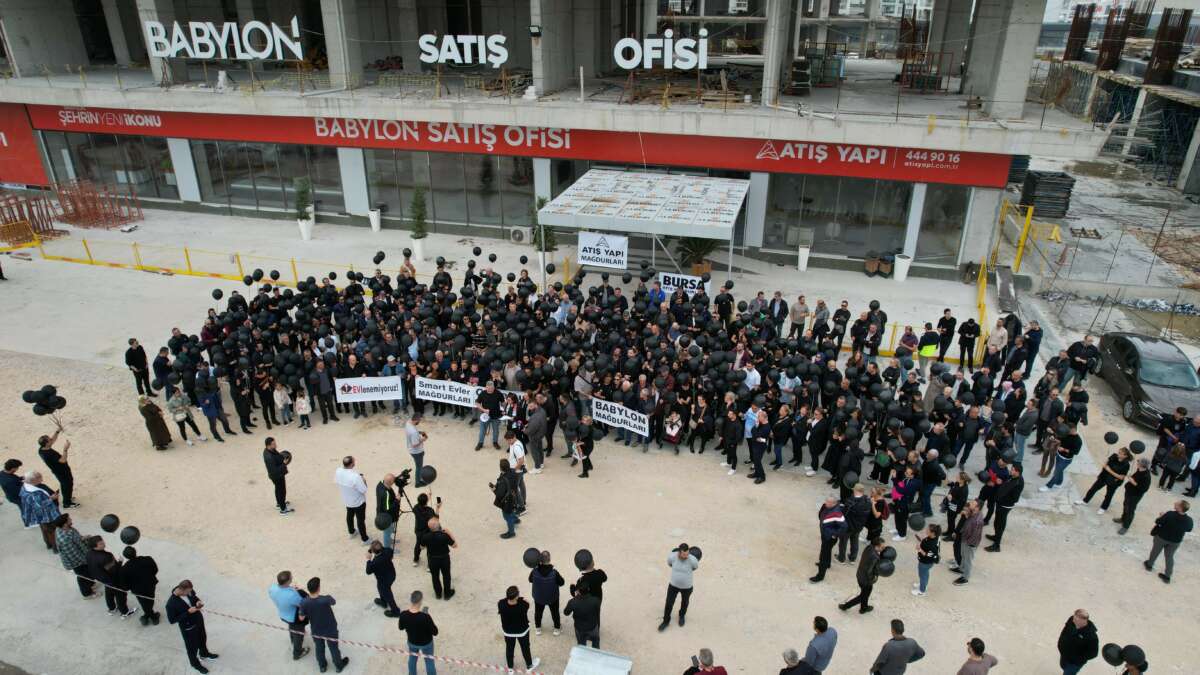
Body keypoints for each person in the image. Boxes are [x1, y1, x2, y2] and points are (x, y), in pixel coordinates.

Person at [166, 580, 219, 673]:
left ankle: (204, 653)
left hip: (198, 620)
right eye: (187, 592)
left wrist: (198, 602)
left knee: (202, 638)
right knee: (192, 647)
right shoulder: (171, 604)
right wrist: (188, 612)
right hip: (188, 627)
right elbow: (172, 620)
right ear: (181, 590)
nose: (189, 593)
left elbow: (194, 597)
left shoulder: (188, 591)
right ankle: (195, 664)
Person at [301, 577, 349, 673]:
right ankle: (339, 666)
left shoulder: (304, 602)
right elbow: (334, 602)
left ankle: (322, 666)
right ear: (318, 588)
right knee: (333, 648)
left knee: (319, 648)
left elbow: (301, 618)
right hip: (330, 630)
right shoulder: (325, 599)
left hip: (316, 630)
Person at [1144, 499, 1193, 583]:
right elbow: (1189, 529)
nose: (1175, 503)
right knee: (1169, 557)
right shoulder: (1189, 520)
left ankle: (1149, 565)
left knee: (1155, 551)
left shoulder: (1170, 514)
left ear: (1180, 508)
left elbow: (1158, 521)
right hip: (1175, 541)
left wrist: (1161, 516)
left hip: (1162, 538)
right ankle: (1167, 576)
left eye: (1177, 504)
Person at [268, 570, 311, 662]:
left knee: (291, 628)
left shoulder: (272, 588)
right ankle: (297, 653)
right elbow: (301, 604)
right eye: (291, 578)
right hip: (293, 617)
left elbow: (282, 595)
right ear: (287, 581)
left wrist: (291, 589)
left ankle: (292, 640)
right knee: (298, 634)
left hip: (283, 614)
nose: (292, 578)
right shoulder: (291, 595)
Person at [87, 535, 133, 617]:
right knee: (120, 595)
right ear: (95, 547)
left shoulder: (89, 553)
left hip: (103, 579)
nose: (104, 543)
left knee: (109, 593)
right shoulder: (106, 557)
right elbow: (114, 571)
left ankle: (112, 608)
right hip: (113, 579)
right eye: (100, 543)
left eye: (102, 541)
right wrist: (120, 562)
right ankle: (125, 612)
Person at [497, 585, 541, 672]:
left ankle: (510, 668)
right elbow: (528, 603)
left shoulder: (501, 604)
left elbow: (500, 601)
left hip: (508, 632)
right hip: (522, 631)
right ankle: (529, 665)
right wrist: (521, 598)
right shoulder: (523, 605)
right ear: (516, 596)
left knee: (509, 648)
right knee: (525, 648)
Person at [52, 514, 96, 598]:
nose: (71, 520)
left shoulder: (67, 528)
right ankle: (87, 593)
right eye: (69, 519)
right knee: (83, 577)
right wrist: (87, 559)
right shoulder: (64, 539)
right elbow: (74, 555)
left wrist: (83, 538)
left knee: (87, 573)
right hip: (77, 562)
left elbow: (76, 538)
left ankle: (90, 583)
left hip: (82, 555)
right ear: (65, 524)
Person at [1076, 447, 1131, 515]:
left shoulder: (1126, 465)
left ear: (1125, 456)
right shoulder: (1114, 456)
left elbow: (1121, 477)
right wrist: (1105, 468)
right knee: (1093, 489)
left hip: (1114, 482)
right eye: (1118, 452)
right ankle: (1085, 501)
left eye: (1120, 453)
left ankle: (1103, 508)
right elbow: (1105, 463)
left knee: (1108, 495)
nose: (1118, 454)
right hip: (1104, 476)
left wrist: (1109, 470)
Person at [658, 543, 699, 631]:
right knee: (669, 603)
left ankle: (681, 616)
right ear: (679, 553)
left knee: (685, 602)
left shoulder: (693, 560)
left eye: (688, 554)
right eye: (684, 554)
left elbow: (695, 567)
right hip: (673, 586)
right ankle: (665, 621)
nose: (686, 556)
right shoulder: (672, 557)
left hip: (687, 587)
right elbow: (669, 564)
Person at [397, 590, 439, 675]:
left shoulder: (403, 614)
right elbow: (435, 632)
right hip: (426, 643)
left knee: (412, 659)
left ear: (411, 600)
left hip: (412, 642)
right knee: (429, 661)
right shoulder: (425, 617)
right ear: (420, 601)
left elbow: (400, 627)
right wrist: (426, 617)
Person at [838, 537, 883, 614]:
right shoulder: (875, 557)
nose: (883, 549)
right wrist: (873, 578)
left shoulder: (869, 547)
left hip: (860, 575)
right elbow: (869, 571)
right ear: (877, 546)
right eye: (882, 547)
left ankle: (864, 608)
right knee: (863, 596)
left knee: (866, 592)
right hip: (865, 579)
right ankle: (845, 606)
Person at [19, 471, 61, 551]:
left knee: (45, 530)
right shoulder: (33, 493)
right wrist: (51, 498)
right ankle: (56, 548)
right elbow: (39, 505)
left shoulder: (25, 487)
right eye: (39, 478)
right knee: (52, 531)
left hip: (39, 516)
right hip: (47, 516)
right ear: (33, 481)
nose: (41, 480)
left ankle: (49, 545)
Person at [985, 463, 1023, 552]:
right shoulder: (1012, 477)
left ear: (1017, 472)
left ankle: (996, 545)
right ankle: (996, 537)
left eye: (1013, 469)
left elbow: (1014, 498)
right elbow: (1006, 485)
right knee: (996, 522)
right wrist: (1001, 483)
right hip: (1000, 504)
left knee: (1000, 524)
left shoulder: (1017, 482)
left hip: (1005, 506)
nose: (1011, 470)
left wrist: (1002, 498)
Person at [37, 430, 78, 508]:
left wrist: (57, 431)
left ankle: (67, 498)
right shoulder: (49, 454)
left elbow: (53, 440)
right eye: (49, 440)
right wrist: (65, 449)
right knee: (67, 485)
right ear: (46, 443)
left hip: (59, 471)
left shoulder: (42, 449)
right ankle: (67, 503)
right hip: (62, 472)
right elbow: (63, 460)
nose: (51, 440)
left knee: (65, 485)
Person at [122, 545, 161, 625]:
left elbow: (125, 583)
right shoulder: (147, 559)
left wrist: (130, 587)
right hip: (150, 585)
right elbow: (155, 569)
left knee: (143, 602)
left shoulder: (124, 569)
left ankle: (147, 616)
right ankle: (153, 617)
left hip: (137, 590)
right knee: (150, 600)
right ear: (135, 552)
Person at [811, 497, 847, 583]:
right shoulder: (827, 507)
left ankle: (820, 576)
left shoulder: (837, 513)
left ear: (833, 503)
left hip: (829, 537)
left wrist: (834, 534)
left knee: (824, 554)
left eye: (827, 502)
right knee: (827, 551)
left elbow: (844, 526)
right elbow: (821, 515)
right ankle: (827, 564)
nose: (825, 503)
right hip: (825, 535)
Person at [420, 516, 457, 599]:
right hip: (444, 559)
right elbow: (455, 545)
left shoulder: (426, 536)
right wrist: (449, 533)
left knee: (435, 577)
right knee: (446, 575)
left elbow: (422, 547)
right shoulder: (444, 535)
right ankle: (447, 594)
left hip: (432, 559)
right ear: (439, 526)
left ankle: (438, 594)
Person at [528, 550, 564, 636]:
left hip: (539, 597)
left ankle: (538, 628)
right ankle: (556, 628)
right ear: (550, 559)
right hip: (552, 597)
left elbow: (530, 580)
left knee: (538, 613)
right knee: (555, 613)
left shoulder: (534, 571)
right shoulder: (554, 573)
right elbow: (562, 583)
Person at [335, 456, 369, 543]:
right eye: (354, 461)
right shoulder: (355, 477)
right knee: (360, 520)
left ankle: (351, 532)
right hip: (358, 502)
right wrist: (363, 480)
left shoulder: (338, 471)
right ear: (352, 464)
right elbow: (364, 490)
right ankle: (364, 539)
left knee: (349, 516)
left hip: (347, 500)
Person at [949, 499, 983, 585]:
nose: (970, 503)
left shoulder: (977, 521)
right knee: (963, 556)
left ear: (977, 508)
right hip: (965, 540)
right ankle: (961, 568)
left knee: (968, 560)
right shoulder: (973, 513)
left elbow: (975, 536)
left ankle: (965, 577)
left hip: (969, 543)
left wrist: (968, 543)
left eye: (972, 504)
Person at [1057, 609, 1099, 675]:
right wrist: (1060, 642)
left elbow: (1093, 654)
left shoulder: (1091, 637)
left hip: (1074, 663)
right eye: (1074, 618)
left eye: (1076, 620)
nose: (1073, 620)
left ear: (1084, 621)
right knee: (1063, 667)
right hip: (1064, 656)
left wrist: (1076, 658)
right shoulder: (1071, 620)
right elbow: (1065, 631)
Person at [1115, 459, 1152, 535]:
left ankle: (1125, 526)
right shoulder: (1139, 470)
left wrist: (1133, 481)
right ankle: (1123, 518)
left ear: (1142, 465)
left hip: (1135, 495)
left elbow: (1144, 489)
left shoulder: (1146, 476)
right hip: (1129, 491)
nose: (1137, 463)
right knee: (1125, 505)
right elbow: (1134, 477)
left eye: (1139, 462)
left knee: (1130, 510)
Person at [367, 540, 401, 616]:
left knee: (387, 593)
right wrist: (372, 549)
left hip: (383, 580)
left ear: (373, 552)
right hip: (392, 575)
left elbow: (368, 571)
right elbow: (388, 551)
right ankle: (383, 601)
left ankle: (396, 611)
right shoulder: (388, 551)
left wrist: (368, 559)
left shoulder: (375, 562)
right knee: (380, 588)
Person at [564, 584, 601, 648]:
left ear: (578, 591)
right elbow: (597, 611)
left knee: (581, 646)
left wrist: (575, 597)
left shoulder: (573, 602)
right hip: (593, 626)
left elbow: (566, 613)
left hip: (579, 628)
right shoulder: (596, 600)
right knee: (596, 643)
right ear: (588, 590)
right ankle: (596, 655)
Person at [263, 438, 293, 515]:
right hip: (277, 476)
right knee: (281, 491)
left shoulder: (270, 450)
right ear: (268, 445)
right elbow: (274, 470)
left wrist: (282, 457)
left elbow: (277, 456)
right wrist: (284, 463)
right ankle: (283, 510)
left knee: (278, 489)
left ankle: (279, 503)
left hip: (277, 475)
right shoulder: (269, 457)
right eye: (273, 444)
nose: (276, 445)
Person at [492, 458, 521, 539]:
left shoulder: (503, 479)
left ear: (501, 468)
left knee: (507, 516)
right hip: (513, 497)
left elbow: (499, 494)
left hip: (507, 501)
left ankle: (511, 532)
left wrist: (494, 489)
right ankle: (515, 519)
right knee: (511, 511)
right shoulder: (513, 472)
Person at [411, 491, 440, 567]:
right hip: (428, 532)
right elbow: (436, 520)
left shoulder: (415, 509)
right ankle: (429, 565)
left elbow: (420, 504)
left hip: (418, 531)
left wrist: (427, 498)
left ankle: (415, 560)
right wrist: (437, 508)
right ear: (426, 502)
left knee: (418, 545)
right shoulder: (430, 510)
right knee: (430, 547)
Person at [913, 524, 942, 596]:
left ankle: (921, 591)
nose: (925, 530)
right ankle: (923, 584)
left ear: (932, 533)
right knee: (925, 574)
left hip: (925, 562)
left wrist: (919, 549)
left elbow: (927, 555)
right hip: (927, 562)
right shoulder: (936, 537)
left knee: (922, 575)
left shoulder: (932, 544)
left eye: (927, 530)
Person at [475, 380, 504, 450]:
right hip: (485, 416)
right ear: (486, 387)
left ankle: (495, 442)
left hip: (496, 415)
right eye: (489, 388)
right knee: (482, 430)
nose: (491, 389)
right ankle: (480, 443)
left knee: (496, 430)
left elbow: (503, 402)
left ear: (494, 387)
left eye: (492, 388)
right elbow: (477, 403)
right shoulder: (482, 393)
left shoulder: (498, 393)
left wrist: (504, 410)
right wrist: (483, 410)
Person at [377, 474, 401, 549]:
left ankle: (390, 540)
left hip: (382, 512)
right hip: (386, 517)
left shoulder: (380, 485)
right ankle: (387, 548)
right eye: (393, 481)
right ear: (391, 482)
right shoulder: (386, 494)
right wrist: (397, 500)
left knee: (389, 530)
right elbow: (388, 508)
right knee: (387, 533)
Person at [407, 414, 429, 486]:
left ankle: (419, 479)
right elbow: (415, 444)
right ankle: (418, 483)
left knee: (418, 466)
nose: (419, 422)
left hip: (411, 449)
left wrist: (419, 432)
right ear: (416, 420)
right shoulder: (413, 432)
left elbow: (413, 433)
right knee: (419, 467)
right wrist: (423, 439)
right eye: (419, 420)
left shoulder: (408, 423)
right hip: (417, 452)